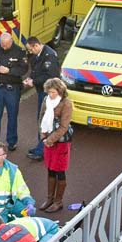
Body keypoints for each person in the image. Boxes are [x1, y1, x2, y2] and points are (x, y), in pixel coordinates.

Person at [0, 32, 28, 151]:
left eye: (6, 45)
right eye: (2, 44)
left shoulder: (19, 52)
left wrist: (9, 70)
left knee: (12, 116)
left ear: (11, 41)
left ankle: (12, 142)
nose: (3, 47)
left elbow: (24, 69)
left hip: (12, 88)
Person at [38, 78, 74, 213]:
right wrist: (43, 135)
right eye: (49, 92)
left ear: (60, 91)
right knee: (50, 169)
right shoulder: (46, 100)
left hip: (61, 142)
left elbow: (64, 126)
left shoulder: (66, 103)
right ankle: (49, 198)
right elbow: (41, 117)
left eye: (53, 92)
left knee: (60, 171)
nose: (50, 95)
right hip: (48, 140)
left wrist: (50, 139)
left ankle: (58, 201)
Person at [23, 37, 61, 161]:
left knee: (45, 121)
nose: (30, 52)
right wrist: (31, 78)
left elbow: (50, 77)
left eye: (30, 50)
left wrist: (34, 81)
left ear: (36, 46)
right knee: (41, 120)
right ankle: (41, 146)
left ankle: (42, 150)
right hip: (42, 92)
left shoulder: (49, 56)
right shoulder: (39, 55)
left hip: (48, 94)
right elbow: (36, 70)